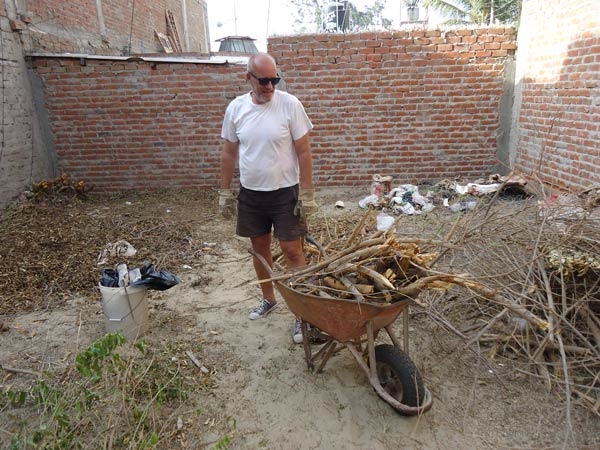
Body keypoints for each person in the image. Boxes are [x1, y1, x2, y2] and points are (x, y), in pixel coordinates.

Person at [219, 52, 317, 344]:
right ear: (248, 78)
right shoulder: (236, 109)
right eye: (264, 81)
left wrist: (308, 193)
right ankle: (269, 299)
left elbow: (304, 151)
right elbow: (228, 152)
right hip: (252, 194)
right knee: (260, 251)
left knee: (292, 252)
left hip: (285, 193)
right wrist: (224, 191)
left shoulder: (290, 105)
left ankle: (303, 315)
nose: (271, 87)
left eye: (275, 80)